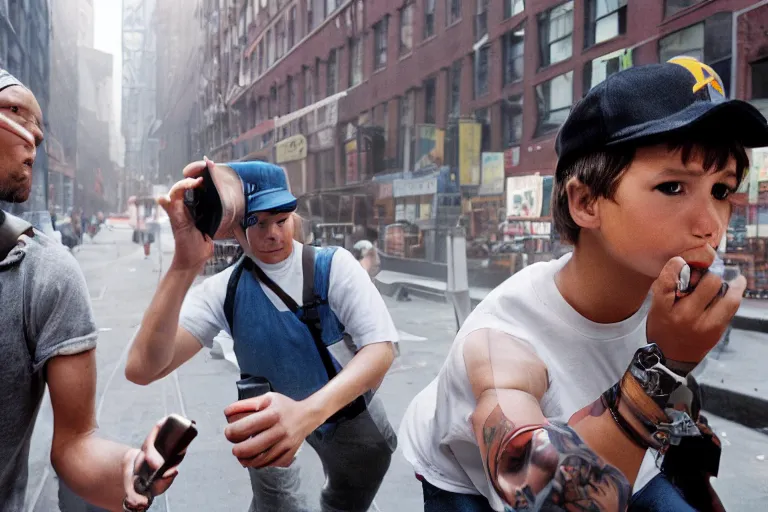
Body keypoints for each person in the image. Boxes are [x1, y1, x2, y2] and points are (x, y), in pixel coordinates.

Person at [398, 56, 768, 512]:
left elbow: (672, 427)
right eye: (673, 187)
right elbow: (552, 501)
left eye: (721, 190)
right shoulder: (501, 342)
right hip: (467, 474)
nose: (711, 223)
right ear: (586, 201)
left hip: (612, 448)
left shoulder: (665, 296)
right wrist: (666, 368)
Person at [125, 159, 399, 512]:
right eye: (258, 222)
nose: (273, 233)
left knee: (348, 499)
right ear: (237, 229)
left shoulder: (334, 267)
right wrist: (183, 265)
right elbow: (143, 368)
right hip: (270, 438)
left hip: (349, 424)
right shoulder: (225, 290)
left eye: (281, 220)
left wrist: (304, 415)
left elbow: (381, 350)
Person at [0, 68, 183, 512]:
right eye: (18, 113)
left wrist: (126, 465)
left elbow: (75, 441)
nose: (37, 136)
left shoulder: (44, 274)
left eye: (39, 126)